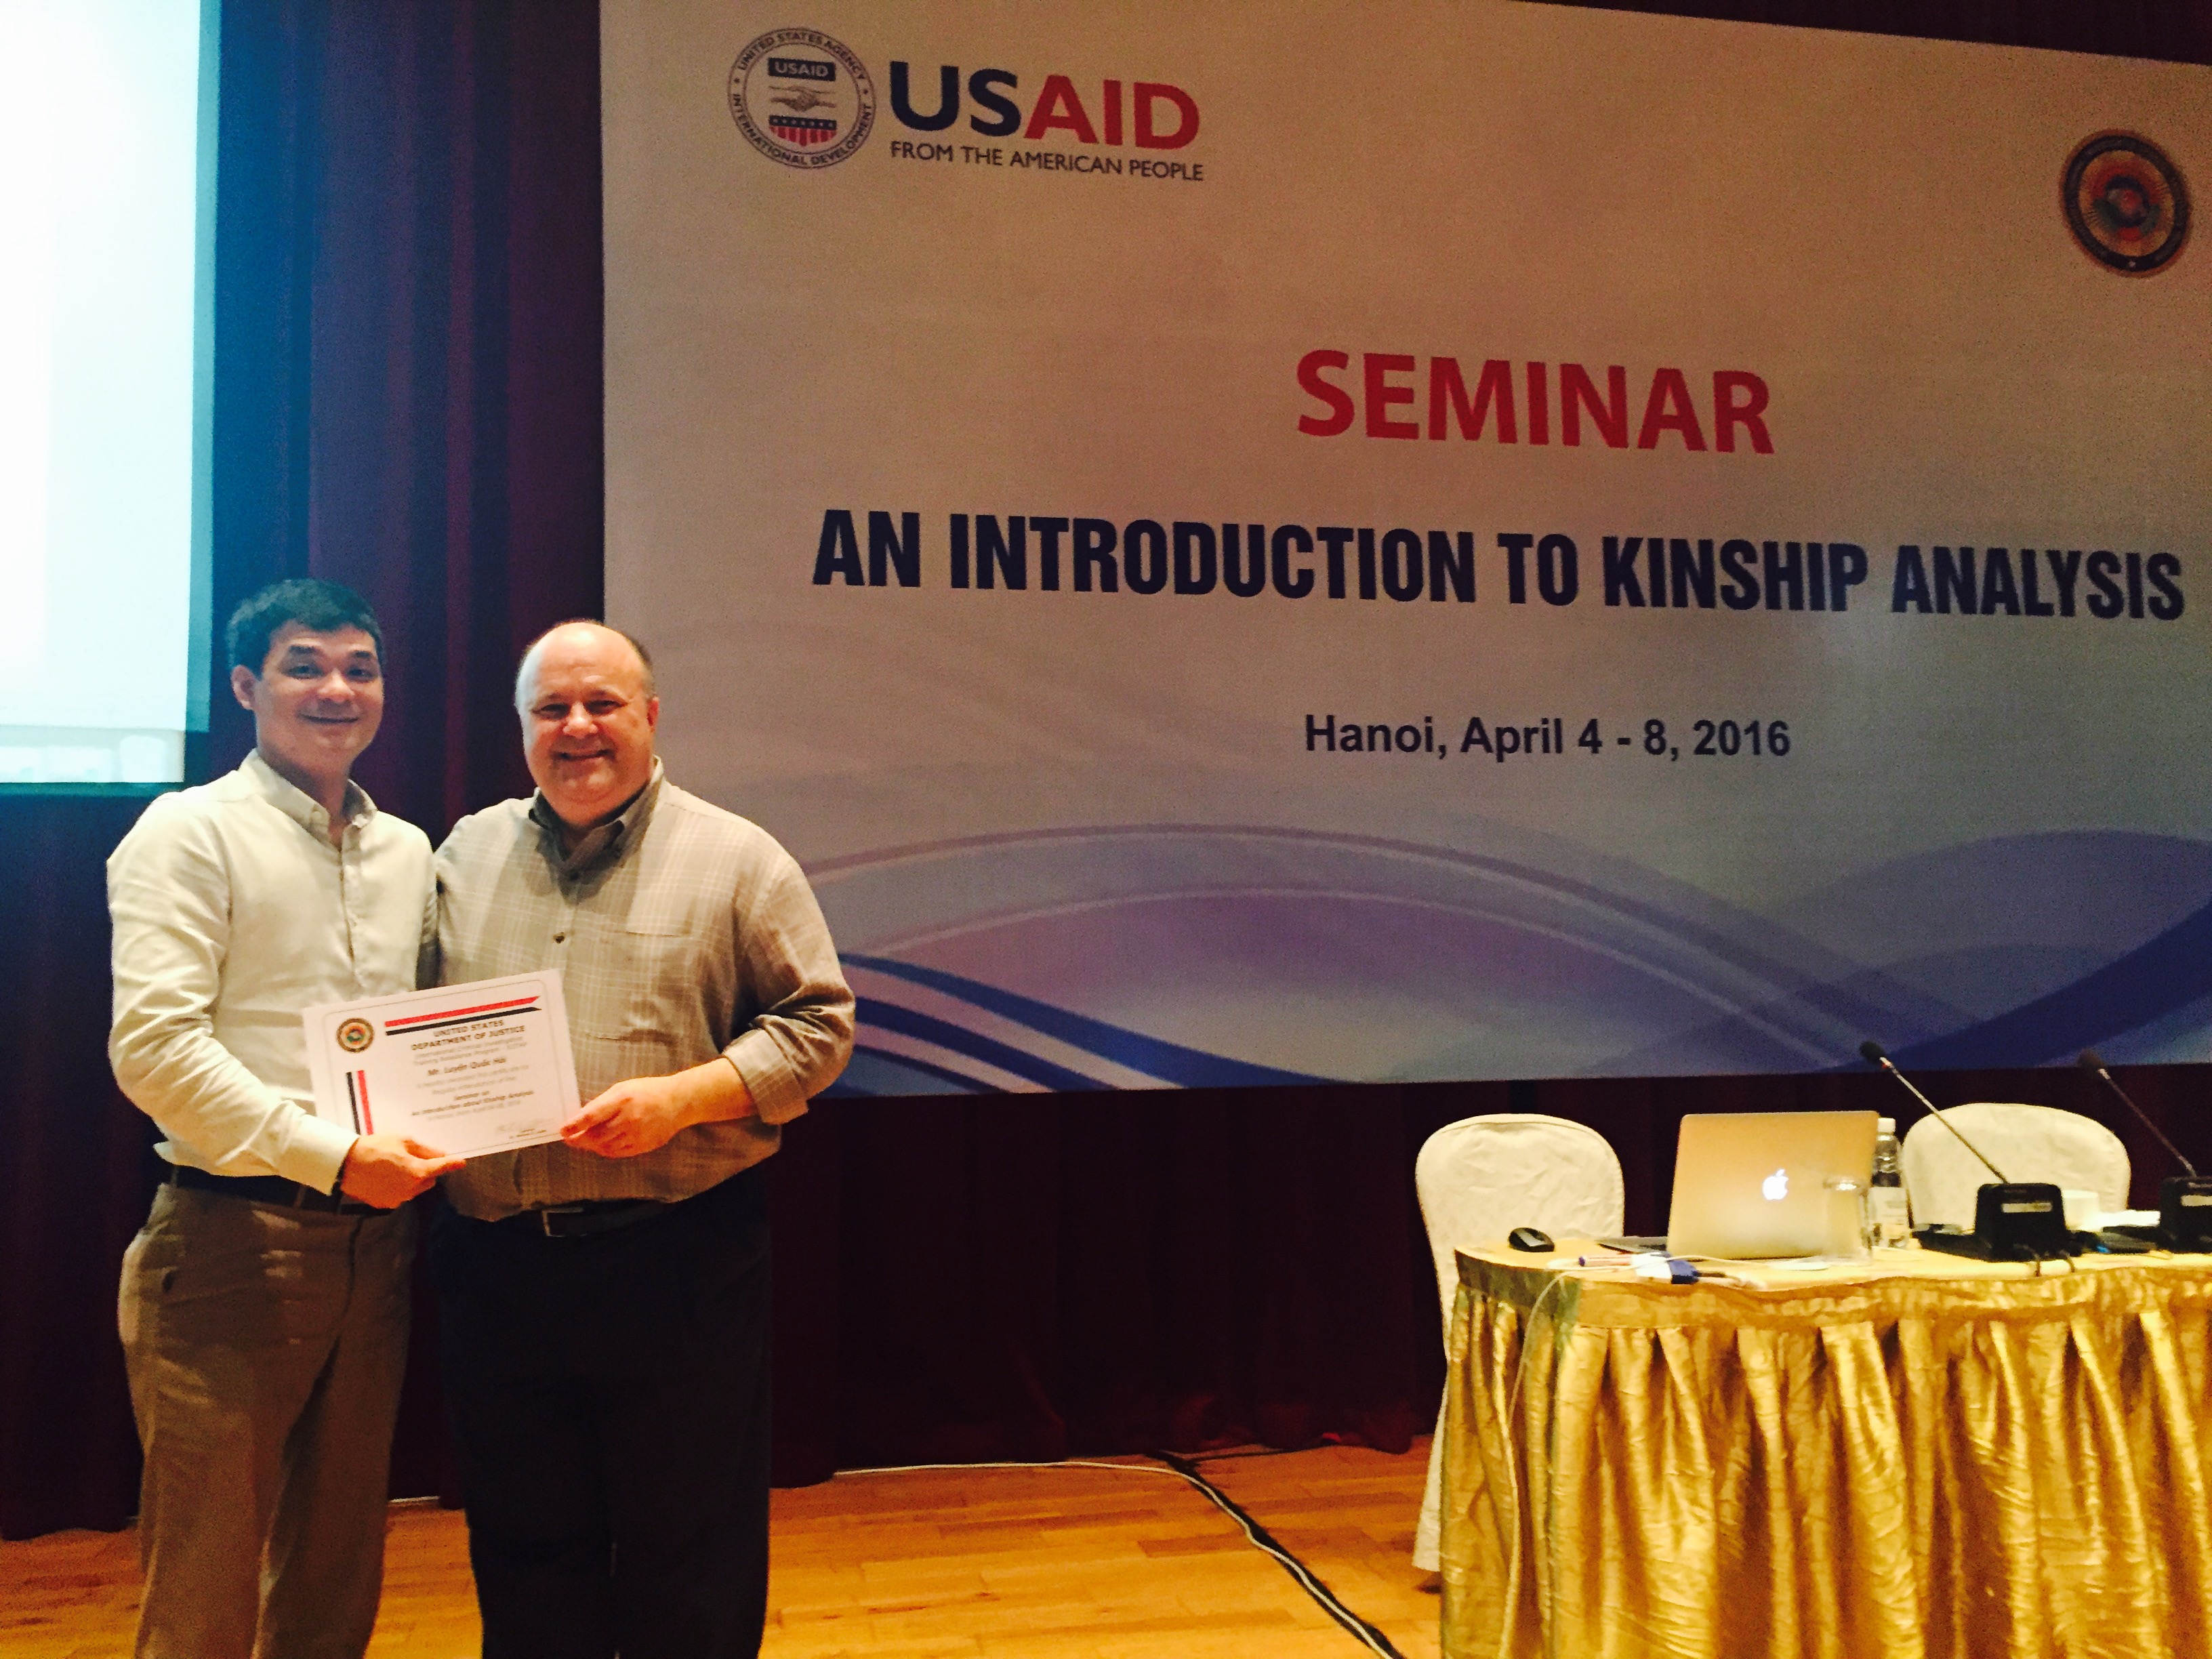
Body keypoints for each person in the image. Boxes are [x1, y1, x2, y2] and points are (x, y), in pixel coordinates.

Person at [432, 619, 853, 1659]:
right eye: (551, 709)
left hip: (676, 1262)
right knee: (525, 1549)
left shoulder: (737, 859)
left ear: (652, 716)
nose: (577, 727)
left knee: (689, 1556)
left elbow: (819, 1027)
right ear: (521, 727)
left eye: (602, 704)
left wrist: (685, 1099)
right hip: (496, 1268)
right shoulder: (463, 854)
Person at [108, 578, 465, 1659]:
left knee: (335, 1573)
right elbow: (155, 1050)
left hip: (377, 1246)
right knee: (205, 1592)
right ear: (244, 687)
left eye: (361, 668)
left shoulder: (410, 852)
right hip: (230, 1245)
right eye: (304, 665)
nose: (336, 689)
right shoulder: (188, 833)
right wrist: (335, 1157)